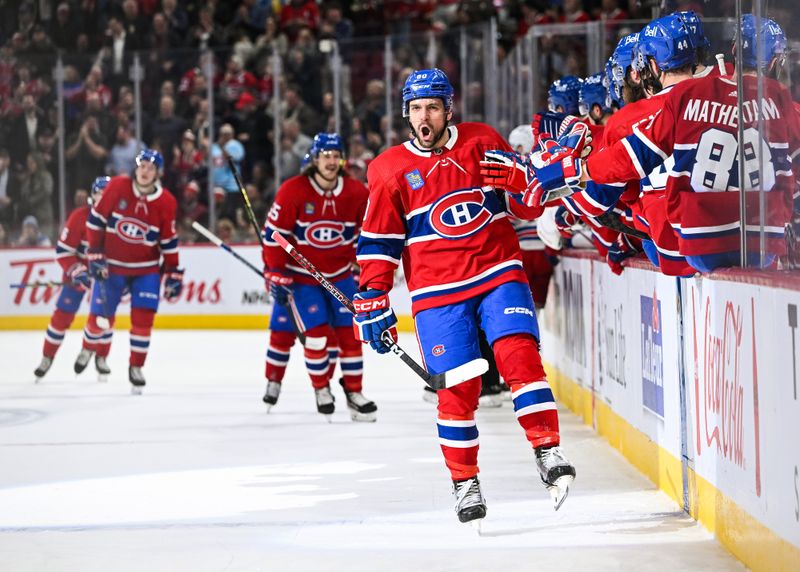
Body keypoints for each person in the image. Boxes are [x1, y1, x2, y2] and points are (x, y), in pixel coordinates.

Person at [353, 68, 576, 525]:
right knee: (456, 393)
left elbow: (529, 205)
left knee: (519, 359)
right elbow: (379, 244)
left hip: (498, 272)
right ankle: (464, 481)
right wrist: (374, 296)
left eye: (432, 106)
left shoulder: (481, 141)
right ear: (406, 114)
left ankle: (547, 451)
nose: (424, 116)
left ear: (448, 108)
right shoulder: (389, 169)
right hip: (437, 293)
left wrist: (521, 176)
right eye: (416, 109)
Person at [520, 15, 800, 273]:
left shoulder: (674, 103)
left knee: (628, 195)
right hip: (762, 246)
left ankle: (623, 240)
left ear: (650, 65)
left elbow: (625, 165)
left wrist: (570, 170)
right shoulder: (777, 99)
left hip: (687, 248)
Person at [261, 132, 376, 421]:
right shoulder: (293, 190)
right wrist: (275, 271)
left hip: (339, 276)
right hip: (302, 278)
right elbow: (273, 236)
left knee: (352, 337)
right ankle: (321, 388)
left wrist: (367, 264)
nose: (331, 161)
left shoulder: (356, 193)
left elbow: (367, 235)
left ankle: (354, 392)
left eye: (336, 156)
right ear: (314, 159)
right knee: (315, 338)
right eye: (325, 156)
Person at [81, 149, 183, 392]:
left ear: (158, 173)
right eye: (141, 166)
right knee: (99, 319)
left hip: (146, 270)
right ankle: (88, 345)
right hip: (112, 268)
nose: (145, 171)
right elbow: (95, 221)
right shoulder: (117, 187)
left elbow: (168, 240)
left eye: (150, 167)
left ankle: (136, 367)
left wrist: (173, 271)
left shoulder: (167, 201)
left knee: (143, 322)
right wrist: (95, 253)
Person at [34, 177, 111, 381]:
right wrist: (77, 270)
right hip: (80, 275)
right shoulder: (79, 217)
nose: (103, 199)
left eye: (108, 195)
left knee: (104, 317)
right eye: (100, 193)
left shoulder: (118, 222)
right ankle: (47, 356)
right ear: (92, 195)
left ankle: (96, 354)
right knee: (61, 316)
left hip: (104, 276)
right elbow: (63, 252)